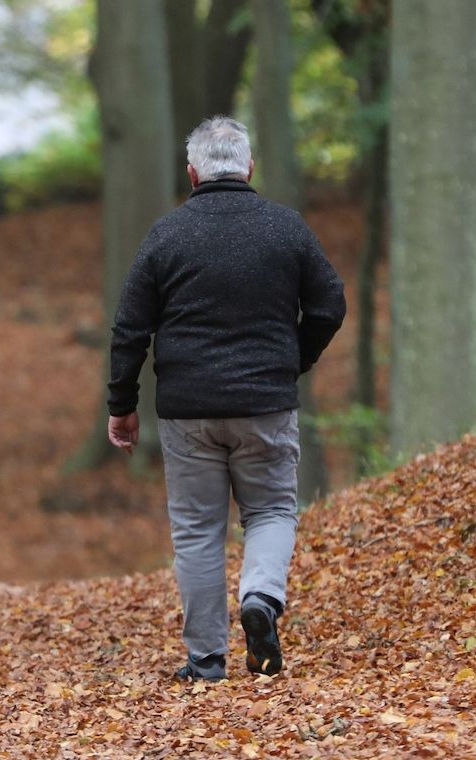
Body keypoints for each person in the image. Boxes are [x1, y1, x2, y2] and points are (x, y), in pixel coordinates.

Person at [106, 117, 346, 681]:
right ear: (250, 167)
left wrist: (121, 404)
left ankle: (206, 658)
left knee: (196, 530)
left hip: (188, 411)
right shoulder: (286, 229)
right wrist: (294, 360)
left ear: (191, 173)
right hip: (266, 404)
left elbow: (129, 329)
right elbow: (329, 304)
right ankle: (261, 597)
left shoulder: (166, 235)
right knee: (271, 511)